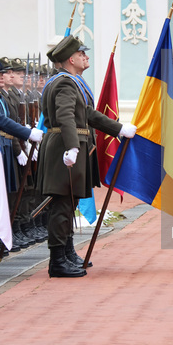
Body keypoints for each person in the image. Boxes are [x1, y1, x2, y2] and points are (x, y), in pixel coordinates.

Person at [37, 35, 136, 278]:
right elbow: (66, 116)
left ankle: (67, 252)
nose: (86, 57)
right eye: (82, 54)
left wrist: (118, 128)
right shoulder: (65, 84)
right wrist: (72, 147)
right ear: (71, 59)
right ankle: (57, 261)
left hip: (69, 146)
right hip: (65, 147)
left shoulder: (69, 81)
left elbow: (87, 113)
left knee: (68, 203)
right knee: (62, 204)